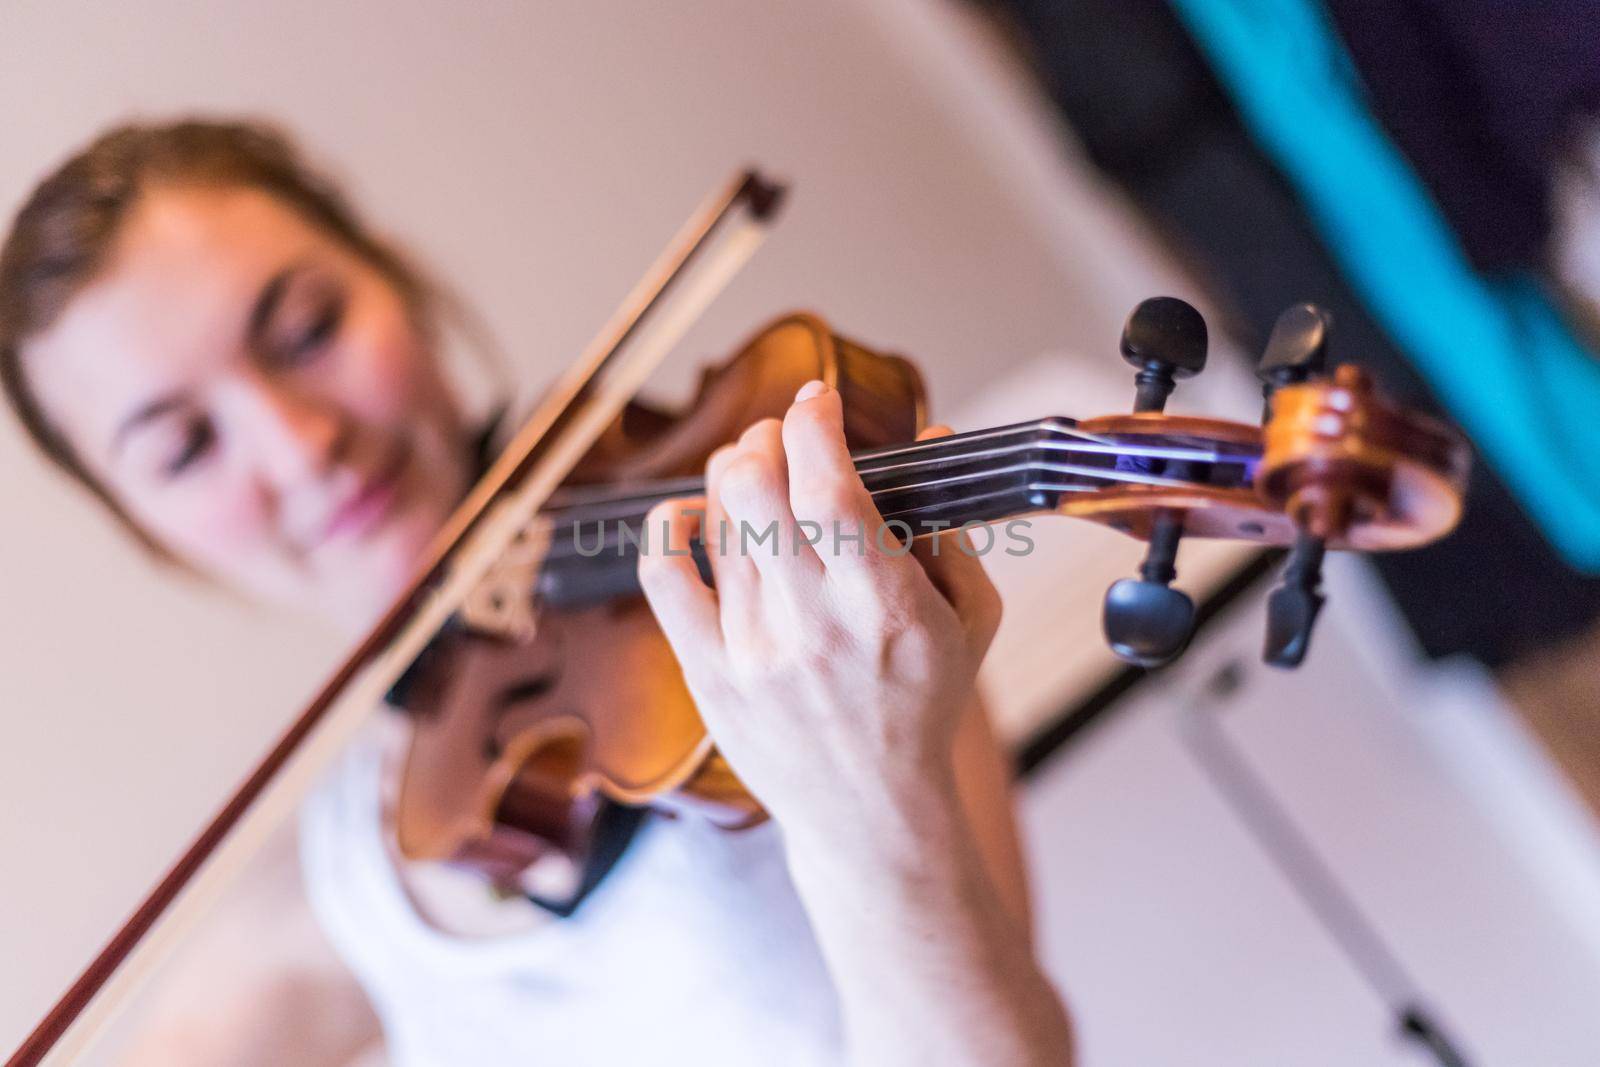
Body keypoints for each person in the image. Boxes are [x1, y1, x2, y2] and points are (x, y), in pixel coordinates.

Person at [0, 119, 1072, 1065]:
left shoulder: (784, 601)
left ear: (397, 280)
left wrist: (869, 796)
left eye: (308, 330)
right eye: (186, 445)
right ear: (150, 533)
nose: (300, 444)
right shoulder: (336, 879)